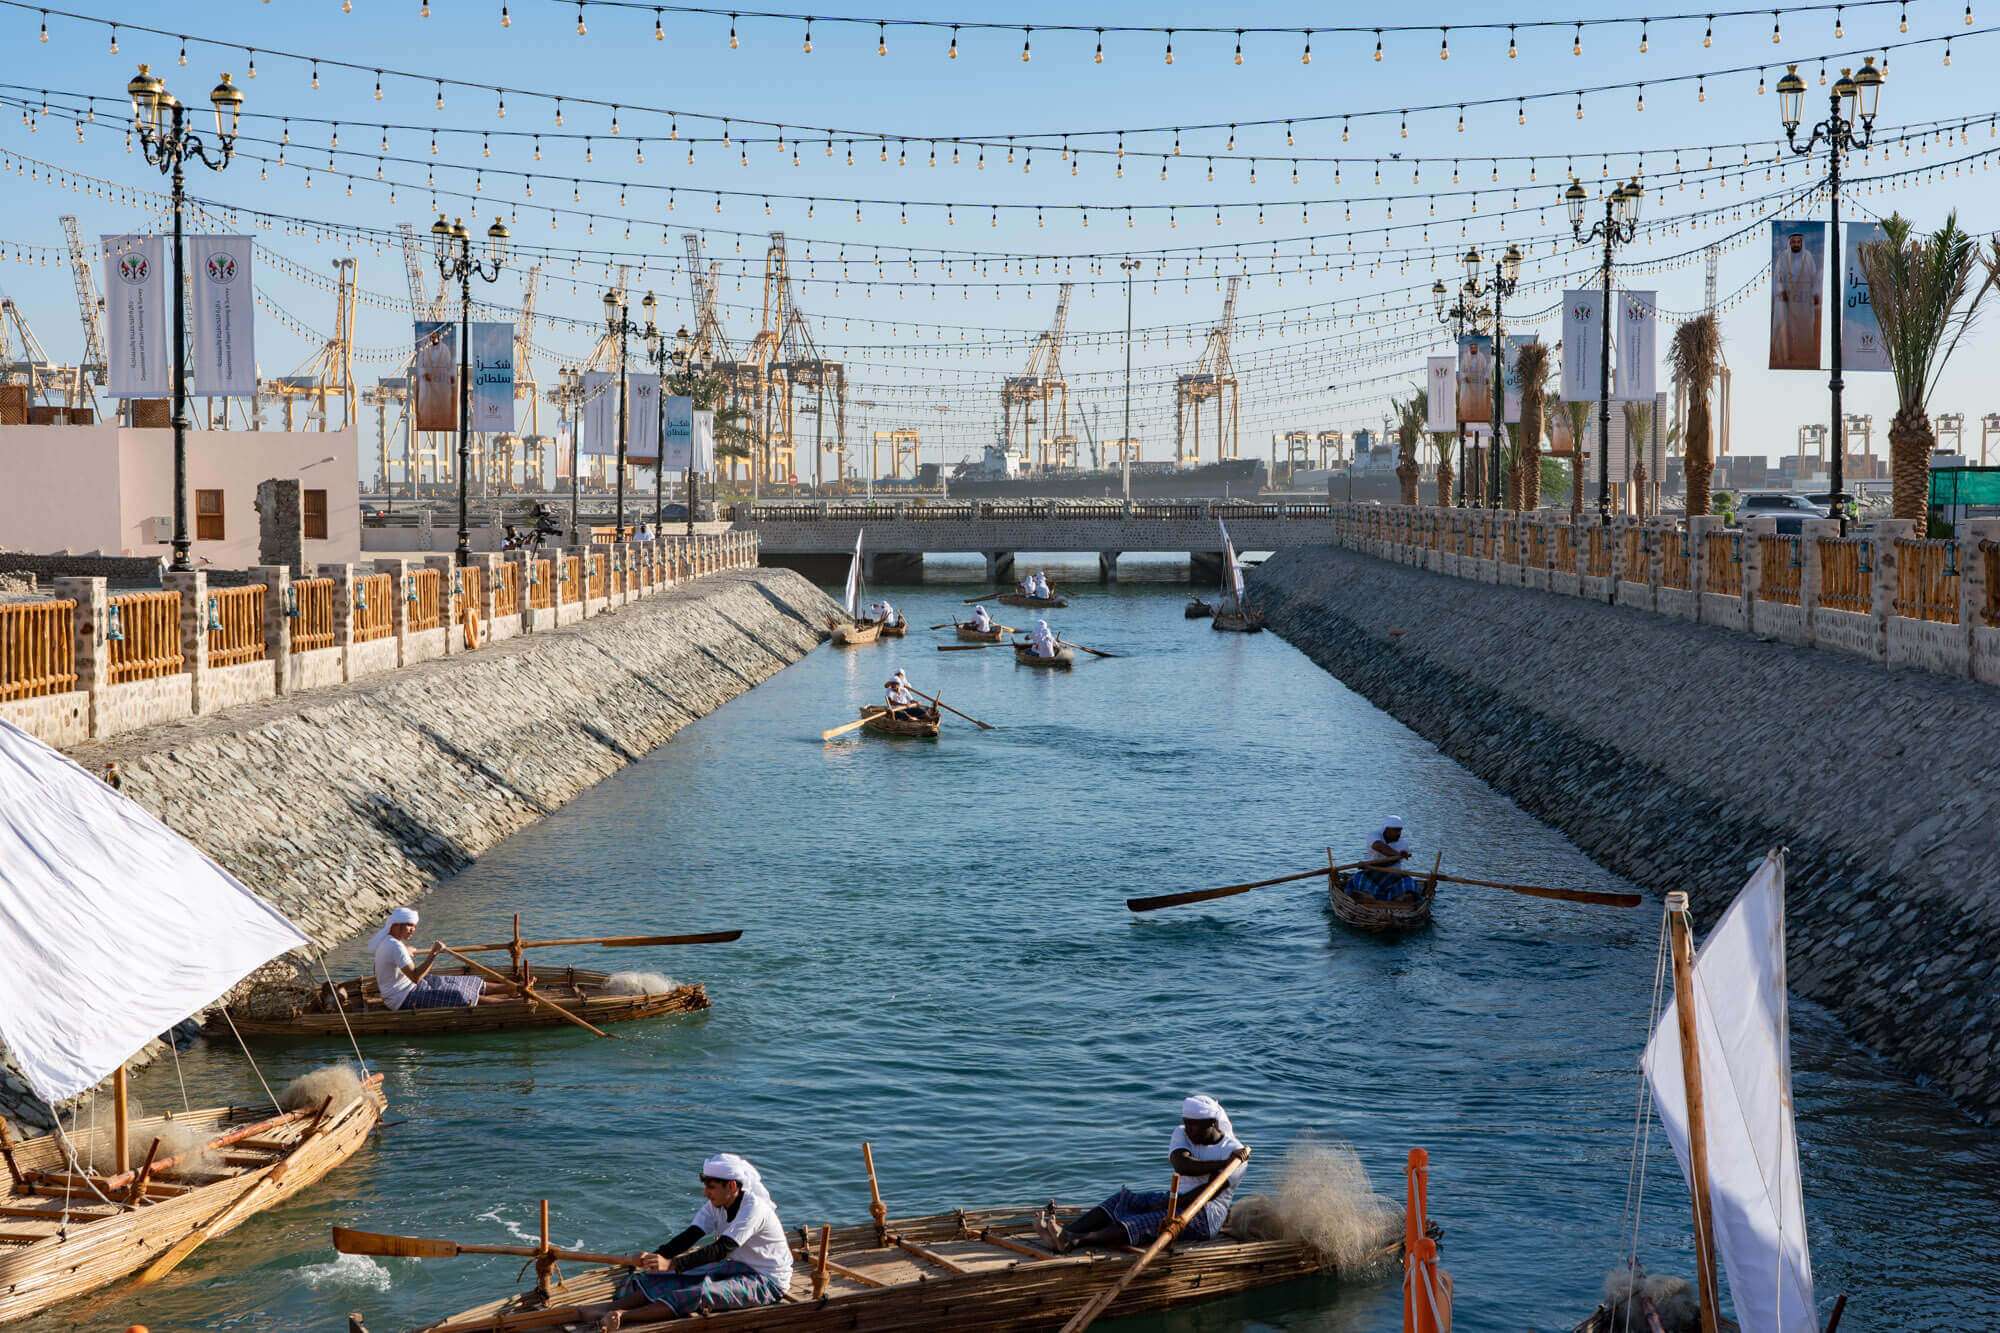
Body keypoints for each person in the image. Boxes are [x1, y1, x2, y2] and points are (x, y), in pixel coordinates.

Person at [576, 1154, 792, 1330]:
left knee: (699, 1292)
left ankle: (625, 1316)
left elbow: (721, 1248)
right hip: (736, 1266)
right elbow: (689, 1236)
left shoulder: (754, 1209)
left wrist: (672, 1263)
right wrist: (657, 1257)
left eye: (711, 1186)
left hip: (767, 1280)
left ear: (732, 1186)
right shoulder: (716, 1205)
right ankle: (611, 1306)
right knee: (663, 1274)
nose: (705, 1192)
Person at [1039, 1095, 1249, 1254]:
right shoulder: (1188, 1136)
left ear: (1211, 1123)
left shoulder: (1234, 1151)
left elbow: (1210, 1192)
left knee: (1146, 1221)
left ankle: (1077, 1240)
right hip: (1177, 1200)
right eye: (1186, 1122)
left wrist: (1170, 1207)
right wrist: (1222, 1164)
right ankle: (1065, 1232)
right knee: (1124, 1199)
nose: (1189, 1129)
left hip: (1205, 1215)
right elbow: (1182, 1164)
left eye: (1195, 1125)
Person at [369, 908, 485, 1011]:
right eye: (409, 925)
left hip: (406, 988)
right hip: (403, 997)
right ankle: (501, 1004)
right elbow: (415, 977)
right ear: (395, 925)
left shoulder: (386, 941)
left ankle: (499, 990)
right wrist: (433, 953)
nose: (413, 929)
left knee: (466, 982)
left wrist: (406, 951)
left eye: (414, 926)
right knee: (459, 996)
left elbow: (381, 966)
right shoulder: (396, 946)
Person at [1352, 817, 1422, 900]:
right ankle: (1368, 895)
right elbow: (1379, 846)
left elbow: (1391, 862)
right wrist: (1398, 855)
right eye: (1396, 830)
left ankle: (1404, 897)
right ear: (1386, 829)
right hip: (1372, 872)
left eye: (1400, 830)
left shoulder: (1403, 843)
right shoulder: (1374, 835)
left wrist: (1367, 865)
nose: (1399, 833)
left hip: (1393, 873)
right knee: (1358, 877)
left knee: (1408, 881)